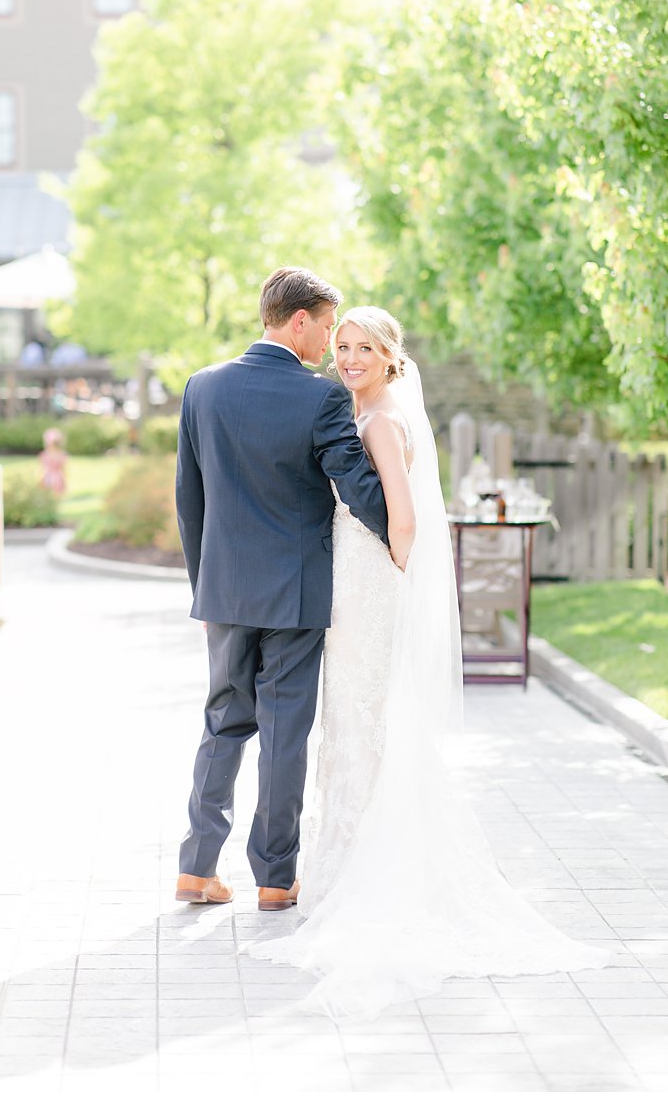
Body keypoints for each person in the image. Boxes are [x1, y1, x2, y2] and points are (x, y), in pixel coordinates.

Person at [243, 306, 610, 1018]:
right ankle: (348, 872)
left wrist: (394, 588)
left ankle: (363, 878)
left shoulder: (379, 420)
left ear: (390, 358)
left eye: (364, 348)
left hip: (367, 585)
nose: (348, 357)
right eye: (342, 345)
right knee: (358, 726)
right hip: (358, 582)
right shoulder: (368, 408)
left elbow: (402, 517)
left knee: (360, 726)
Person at [172, 266, 390, 913]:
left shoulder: (201, 388)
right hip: (296, 596)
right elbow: (356, 485)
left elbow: (190, 502)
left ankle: (196, 868)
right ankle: (274, 877)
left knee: (222, 724)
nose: (329, 344)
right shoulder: (319, 398)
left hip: (224, 592)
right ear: (300, 321)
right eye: (327, 328)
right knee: (284, 733)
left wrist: (205, 582)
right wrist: (407, 535)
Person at [38, 428, 67, 496]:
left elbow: (63, 468)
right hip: (49, 477)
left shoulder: (60, 455)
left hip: (54, 477)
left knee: (55, 494)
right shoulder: (45, 455)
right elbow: (41, 468)